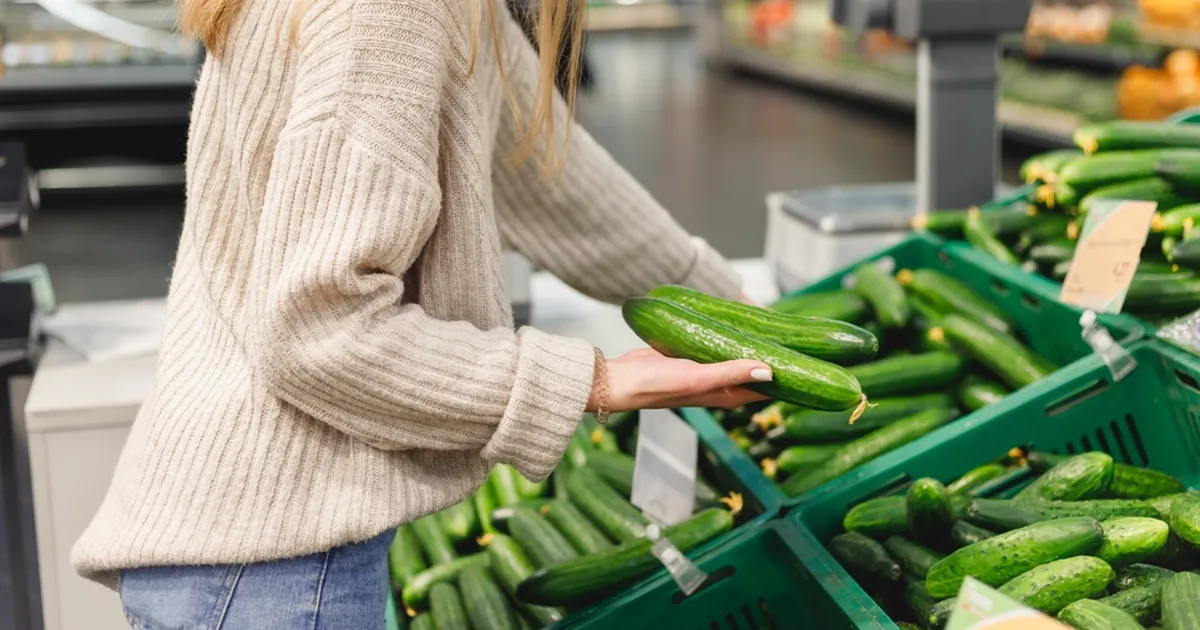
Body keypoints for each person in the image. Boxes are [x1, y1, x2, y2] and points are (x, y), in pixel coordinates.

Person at [71, 0, 772, 625]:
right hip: (272, 572)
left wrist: (739, 314)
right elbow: (319, 330)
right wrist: (592, 382)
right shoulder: (393, 11)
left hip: (249, 550)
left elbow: (554, 181)